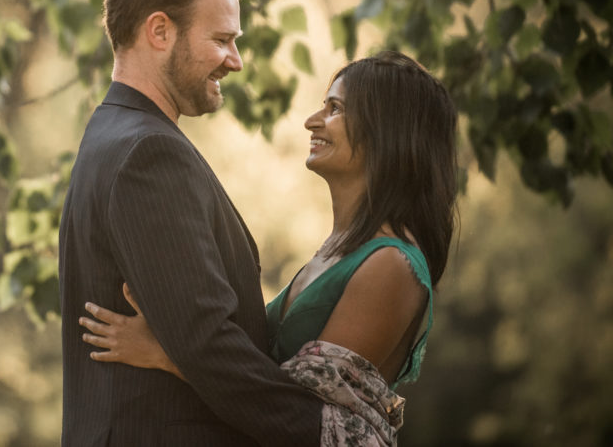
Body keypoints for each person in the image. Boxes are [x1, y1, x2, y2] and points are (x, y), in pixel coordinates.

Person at [79, 51, 458, 445]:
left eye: (335, 109)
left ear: (388, 130)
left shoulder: (391, 265)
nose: (313, 121)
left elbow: (295, 416)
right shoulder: (338, 250)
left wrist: (169, 355)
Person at [59, 0, 323, 446]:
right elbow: (208, 344)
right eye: (222, 39)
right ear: (159, 31)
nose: (237, 61)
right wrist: (326, 431)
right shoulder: (148, 153)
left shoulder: (109, 134)